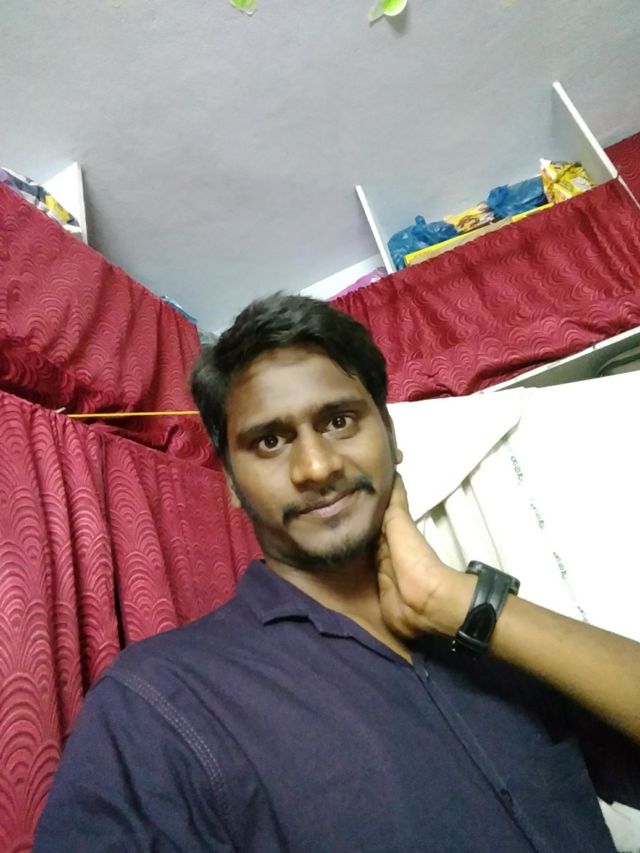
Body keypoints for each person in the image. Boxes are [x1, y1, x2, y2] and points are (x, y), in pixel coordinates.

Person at [35, 294, 640, 852]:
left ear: (391, 435)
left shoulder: (482, 637)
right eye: (270, 441)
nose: (317, 467)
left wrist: (458, 601)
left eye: (339, 421)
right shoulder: (158, 703)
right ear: (231, 482)